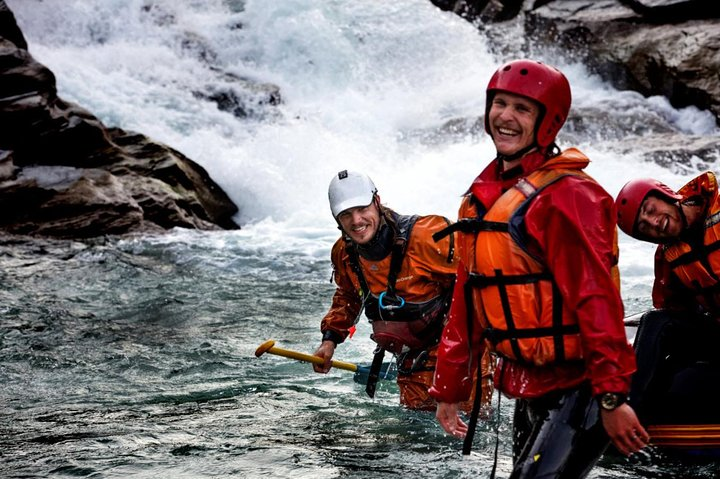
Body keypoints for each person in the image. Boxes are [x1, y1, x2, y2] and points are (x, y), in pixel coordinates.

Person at [428, 59, 648, 477]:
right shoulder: (479, 200)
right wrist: (450, 388)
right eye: (500, 103)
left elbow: (596, 301)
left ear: (547, 123)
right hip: (528, 385)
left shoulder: (568, 196)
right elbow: (467, 301)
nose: (505, 117)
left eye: (522, 109)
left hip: (581, 389)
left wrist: (612, 399)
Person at [313, 169, 494, 411]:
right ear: (337, 219)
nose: (356, 221)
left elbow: (484, 274)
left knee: (463, 436)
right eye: (346, 214)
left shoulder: (429, 236)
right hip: (412, 361)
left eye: (362, 209)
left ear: (377, 202)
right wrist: (330, 340)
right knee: (416, 438)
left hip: (460, 356)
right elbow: (348, 296)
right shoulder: (344, 253)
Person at [615, 173, 720, 423]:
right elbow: (674, 317)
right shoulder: (668, 259)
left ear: (666, 194)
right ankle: (628, 411)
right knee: (657, 322)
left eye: (651, 209)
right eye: (643, 226)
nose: (653, 222)